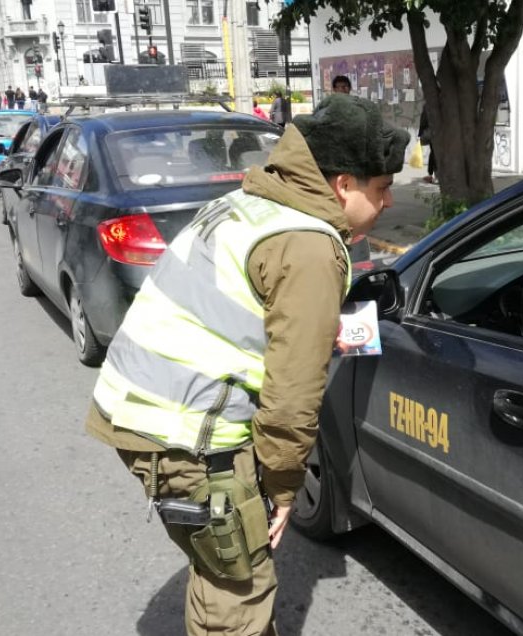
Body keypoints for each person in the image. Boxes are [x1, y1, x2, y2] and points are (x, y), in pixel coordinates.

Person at [86, 94, 409, 636]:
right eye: (381, 188)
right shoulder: (308, 246)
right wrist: (281, 488)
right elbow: (293, 395)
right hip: (187, 435)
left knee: (219, 566)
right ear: (342, 185)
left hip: (139, 407)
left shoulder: (253, 204)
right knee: (239, 591)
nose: (390, 201)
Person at [418, 104, 436, 184]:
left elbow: (423, 121)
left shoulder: (428, 105)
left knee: (434, 153)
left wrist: (421, 133)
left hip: (433, 132)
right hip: (440, 132)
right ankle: (433, 175)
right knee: (435, 153)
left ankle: (431, 175)